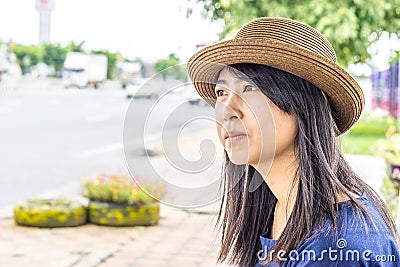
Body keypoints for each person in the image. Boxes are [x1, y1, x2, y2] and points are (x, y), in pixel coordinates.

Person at [187, 17, 400, 266]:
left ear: (303, 105)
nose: (227, 110)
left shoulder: (337, 245)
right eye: (221, 92)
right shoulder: (276, 208)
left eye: (250, 88)